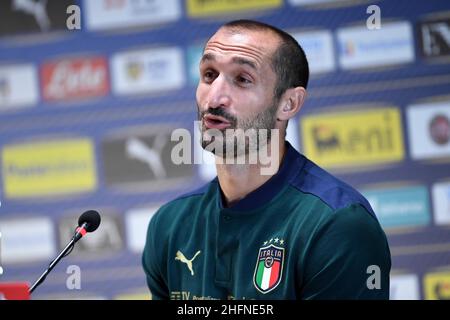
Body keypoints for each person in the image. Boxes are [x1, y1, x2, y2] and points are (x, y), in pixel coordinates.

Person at [142, 19, 391, 300]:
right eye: (209, 75)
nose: (214, 99)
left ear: (289, 104)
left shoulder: (337, 225)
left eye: (242, 79)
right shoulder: (170, 224)